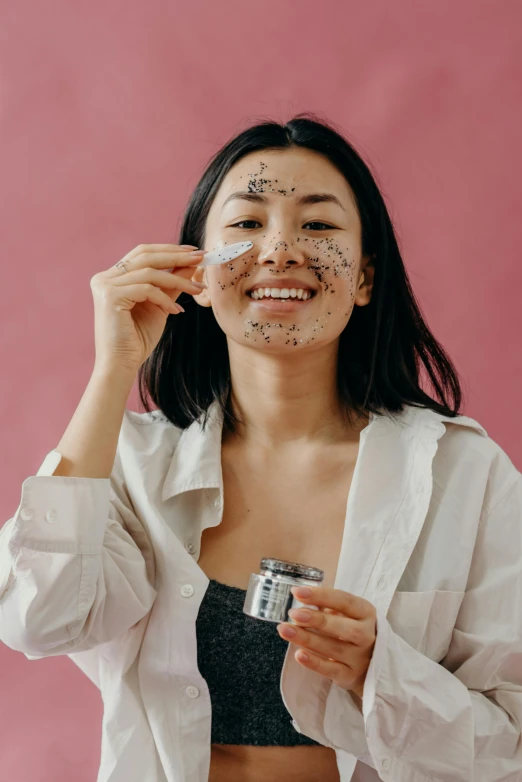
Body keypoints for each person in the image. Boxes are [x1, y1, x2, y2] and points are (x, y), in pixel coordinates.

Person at [0, 114, 520, 782]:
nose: (280, 250)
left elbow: (511, 747)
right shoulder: (129, 465)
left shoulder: (466, 476)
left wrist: (380, 675)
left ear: (364, 279)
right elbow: (35, 617)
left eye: (319, 225)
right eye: (246, 224)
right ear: (198, 272)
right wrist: (112, 372)